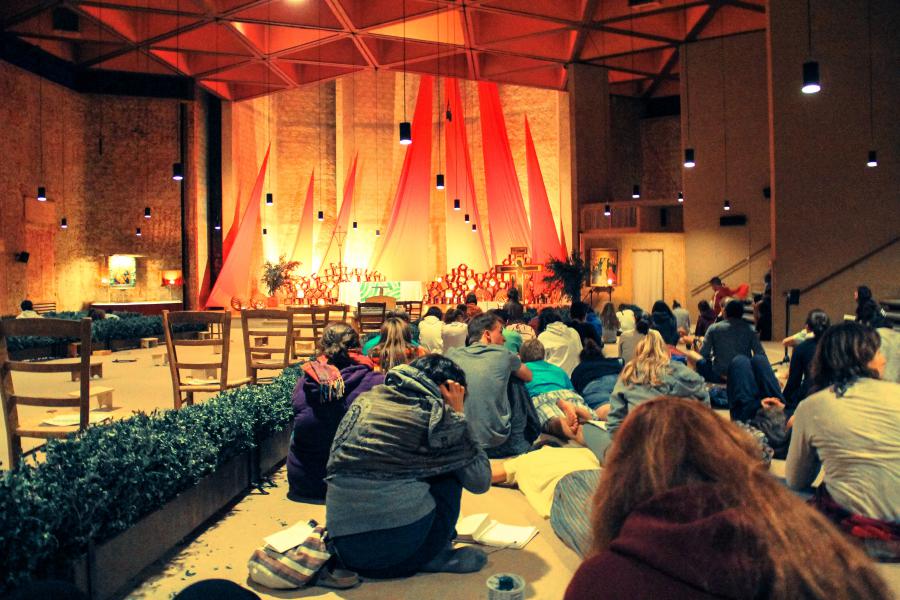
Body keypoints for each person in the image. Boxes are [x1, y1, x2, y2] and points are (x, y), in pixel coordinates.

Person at [564, 397, 890, 600]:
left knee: (571, 485)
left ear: (620, 481)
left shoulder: (600, 582)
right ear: (730, 453)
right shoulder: (819, 553)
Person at [325, 355, 491, 578]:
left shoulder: (368, 399)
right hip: (396, 555)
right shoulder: (436, 415)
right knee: (450, 470)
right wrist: (457, 416)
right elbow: (480, 481)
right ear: (450, 390)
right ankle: (433, 555)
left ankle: (419, 546)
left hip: (346, 549)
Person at [787, 323, 900, 527]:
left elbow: (796, 480)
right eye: (877, 352)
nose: (884, 359)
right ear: (864, 357)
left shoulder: (811, 406)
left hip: (850, 532)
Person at [287, 323, 384, 501]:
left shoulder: (305, 382)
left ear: (322, 347)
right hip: (355, 486)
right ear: (359, 348)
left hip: (305, 483)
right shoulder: (377, 382)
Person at [446, 313, 534, 457]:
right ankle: (519, 442)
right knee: (516, 381)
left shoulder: (452, 354)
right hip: (496, 443)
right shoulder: (503, 354)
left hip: (461, 439)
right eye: (500, 332)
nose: (504, 338)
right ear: (487, 334)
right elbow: (528, 376)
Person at [519, 339, 598, 446]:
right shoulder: (557, 369)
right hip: (566, 394)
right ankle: (578, 410)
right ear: (543, 355)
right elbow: (571, 389)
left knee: (551, 421)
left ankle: (566, 425)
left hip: (541, 396)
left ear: (522, 357)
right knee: (593, 420)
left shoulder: (522, 370)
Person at [697, 299, 767, 383]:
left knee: (697, 360)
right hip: (743, 374)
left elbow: (704, 353)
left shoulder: (713, 328)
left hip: (719, 376)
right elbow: (760, 354)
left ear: (725, 312)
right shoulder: (749, 330)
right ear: (741, 314)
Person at [781, 309, 830, 416]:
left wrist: (784, 401)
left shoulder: (802, 348)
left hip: (811, 392)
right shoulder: (837, 345)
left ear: (807, 327)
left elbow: (794, 382)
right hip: (836, 393)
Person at [570, 338, 623, 419]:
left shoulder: (579, 368)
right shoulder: (613, 361)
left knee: (607, 411)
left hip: (593, 386)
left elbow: (574, 390)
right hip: (616, 379)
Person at [536, 309, 583, 376]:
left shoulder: (543, 336)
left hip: (554, 380)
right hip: (575, 378)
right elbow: (580, 355)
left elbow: (539, 364)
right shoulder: (573, 332)